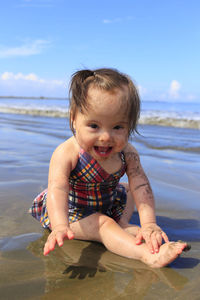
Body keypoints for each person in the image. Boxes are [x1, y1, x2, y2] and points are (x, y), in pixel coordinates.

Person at [29, 68, 189, 268]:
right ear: (74, 120)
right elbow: (57, 188)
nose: (106, 137)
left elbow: (141, 186)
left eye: (118, 127)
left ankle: (122, 224)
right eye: (94, 126)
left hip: (106, 203)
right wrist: (60, 225)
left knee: (130, 188)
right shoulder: (67, 152)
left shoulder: (128, 153)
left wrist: (149, 223)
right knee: (104, 224)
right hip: (68, 213)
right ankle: (146, 255)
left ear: (129, 126)